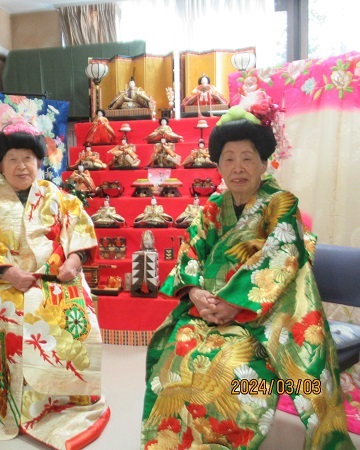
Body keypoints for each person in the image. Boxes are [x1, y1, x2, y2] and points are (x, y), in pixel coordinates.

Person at [141, 100, 354, 449]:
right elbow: (191, 251)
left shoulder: (281, 203)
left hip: (262, 316)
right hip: (209, 311)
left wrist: (234, 303)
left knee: (227, 372)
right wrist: (195, 293)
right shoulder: (213, 208)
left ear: (264, 162)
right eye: (229, 158)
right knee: (178, 356)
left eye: (247, 158)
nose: (238, 167)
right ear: (218, 166)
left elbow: (280, 258)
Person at [0, 119, 110, 449]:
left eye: (28, 158)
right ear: (0, 164)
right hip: (3, 281)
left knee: (74, 312)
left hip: (55, 277)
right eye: (12, 159)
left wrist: (73, 261)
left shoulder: (56, 195)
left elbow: (78, 228)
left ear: (39, 161)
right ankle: (13, 406)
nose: (21, 166)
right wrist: (8, 272)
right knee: (7, 317)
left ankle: (69, 400)